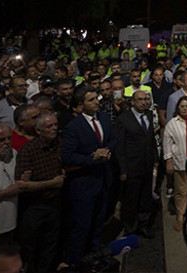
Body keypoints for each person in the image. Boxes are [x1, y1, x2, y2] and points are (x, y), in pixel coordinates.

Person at [61, 87, 116, 265]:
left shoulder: (105, 119)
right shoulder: (73, 127)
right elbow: (68, 156)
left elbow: (113, 139)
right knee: (82, 225)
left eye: (96, 98)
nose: (96, 102)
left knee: (99, 221)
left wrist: (107, 150)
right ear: (80, 105)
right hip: (84, 183)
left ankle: (94, 253)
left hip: (104, 179)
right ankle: (76, 260)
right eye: (91, 100)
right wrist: (93, 157)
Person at [14, 113, 64, 273]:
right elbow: (22, 185)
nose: (54, 128)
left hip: (56, 204)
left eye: (55, 125)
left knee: (51, 245)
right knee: (30, 247)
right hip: (35, 206)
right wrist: (52, 183)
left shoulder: (59, 144)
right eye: (49, 126)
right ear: (38, 130)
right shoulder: (29, 150)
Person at [115, 90, 158, 238]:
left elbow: (151, 139)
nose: (143, 102)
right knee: (131, 199)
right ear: (132, 101)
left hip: (147, 164)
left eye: (146, 99)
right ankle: (131, 228)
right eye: (140, 99)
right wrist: (123, 169)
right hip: (132, 166)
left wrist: (155, 159)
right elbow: (119, 147)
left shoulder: (149, 116)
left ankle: (143, 225)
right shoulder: (123, 119)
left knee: (146, 197)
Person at [163, 96, 187, 232]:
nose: (185, 108)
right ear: (177, 108)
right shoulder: (172, 124)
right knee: (181, 191)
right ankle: (180, 217)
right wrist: (168, 161)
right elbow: (167, 145)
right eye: (182, 106)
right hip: (180, 162)